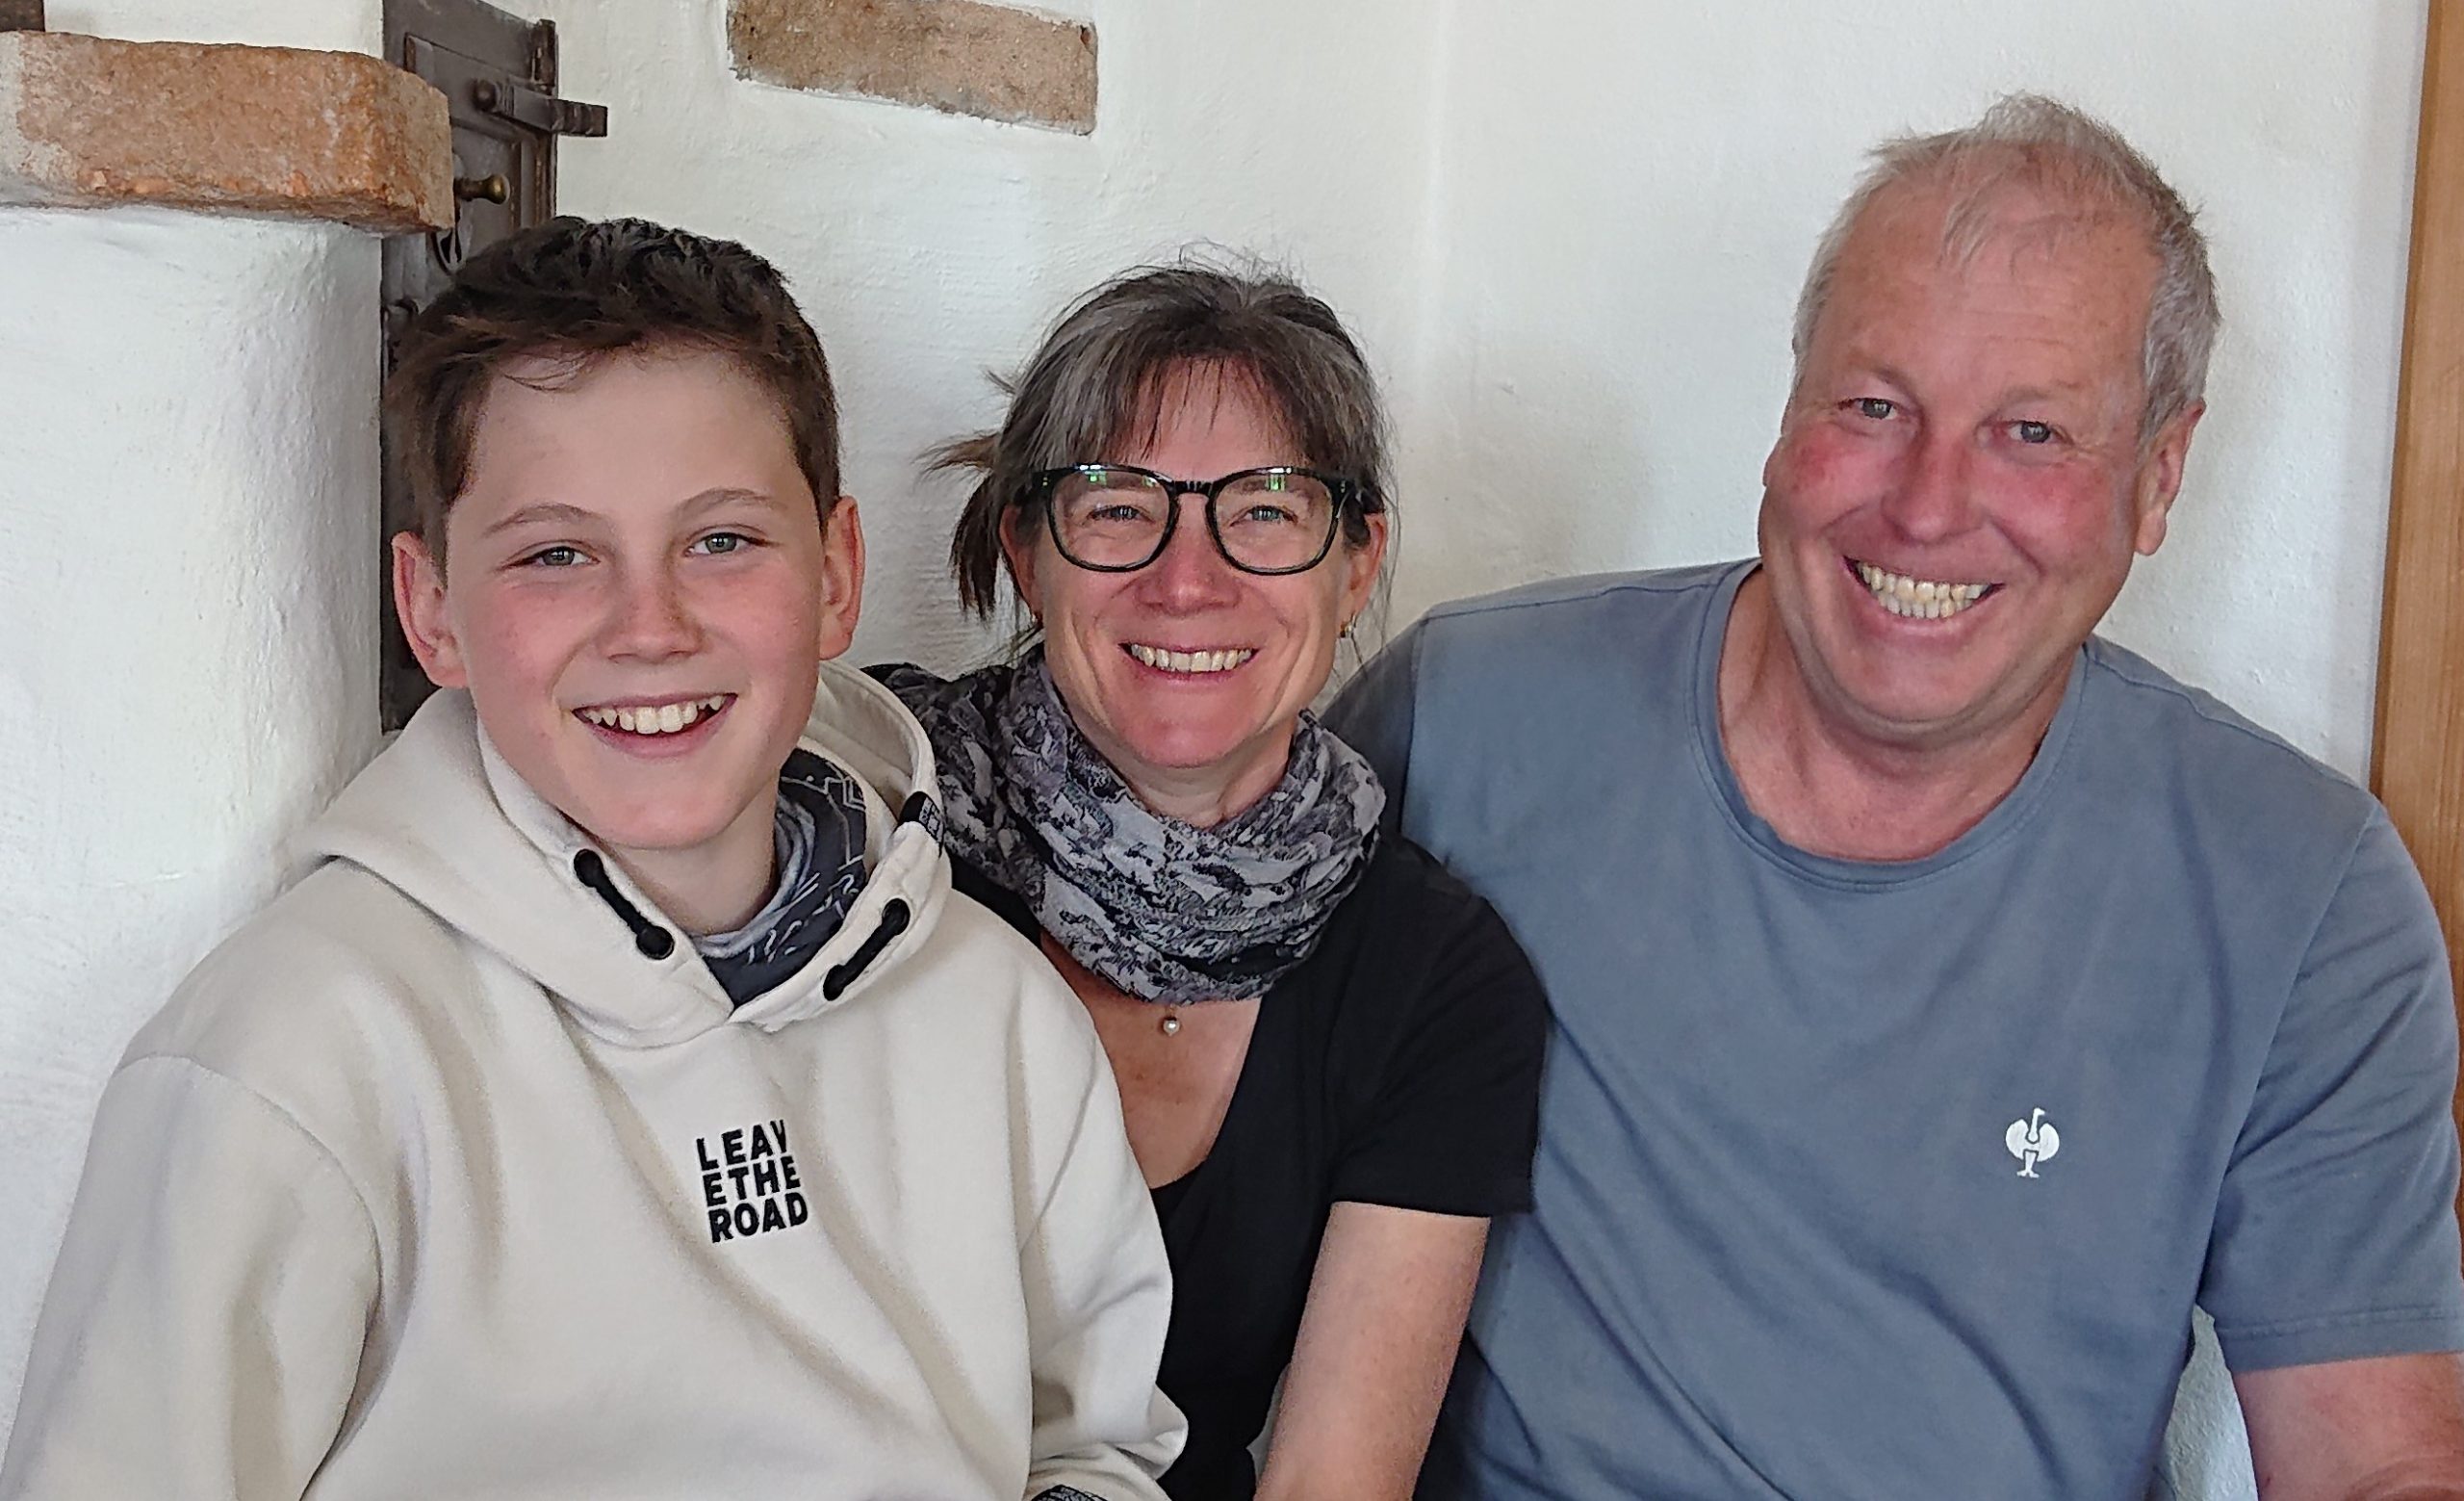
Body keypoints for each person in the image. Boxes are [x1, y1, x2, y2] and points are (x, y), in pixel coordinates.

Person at [1332, 95, 2464, 1499]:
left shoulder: (2302, 891)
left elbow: (2374, 1461)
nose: (1928, 507)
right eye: (1873, 407)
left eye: (2032, 431)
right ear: (1787, 412)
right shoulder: (1466, 717)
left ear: (2159, 476)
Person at [0, 218, 1181, 1500]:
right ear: (433, 611)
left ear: (837, 574)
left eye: (721, 539)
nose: (649, 626)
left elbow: (1093, 1442)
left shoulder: (994, 1004)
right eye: (556, 553)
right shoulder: (293, 1053)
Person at [872, 262, 1547, 1501]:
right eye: (1118, 507)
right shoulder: (862, 838)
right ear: (1025, 548)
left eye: (1267, 510)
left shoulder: (1434, 979)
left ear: (1355, 564)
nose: (1187, 580)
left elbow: (1331, 1481)